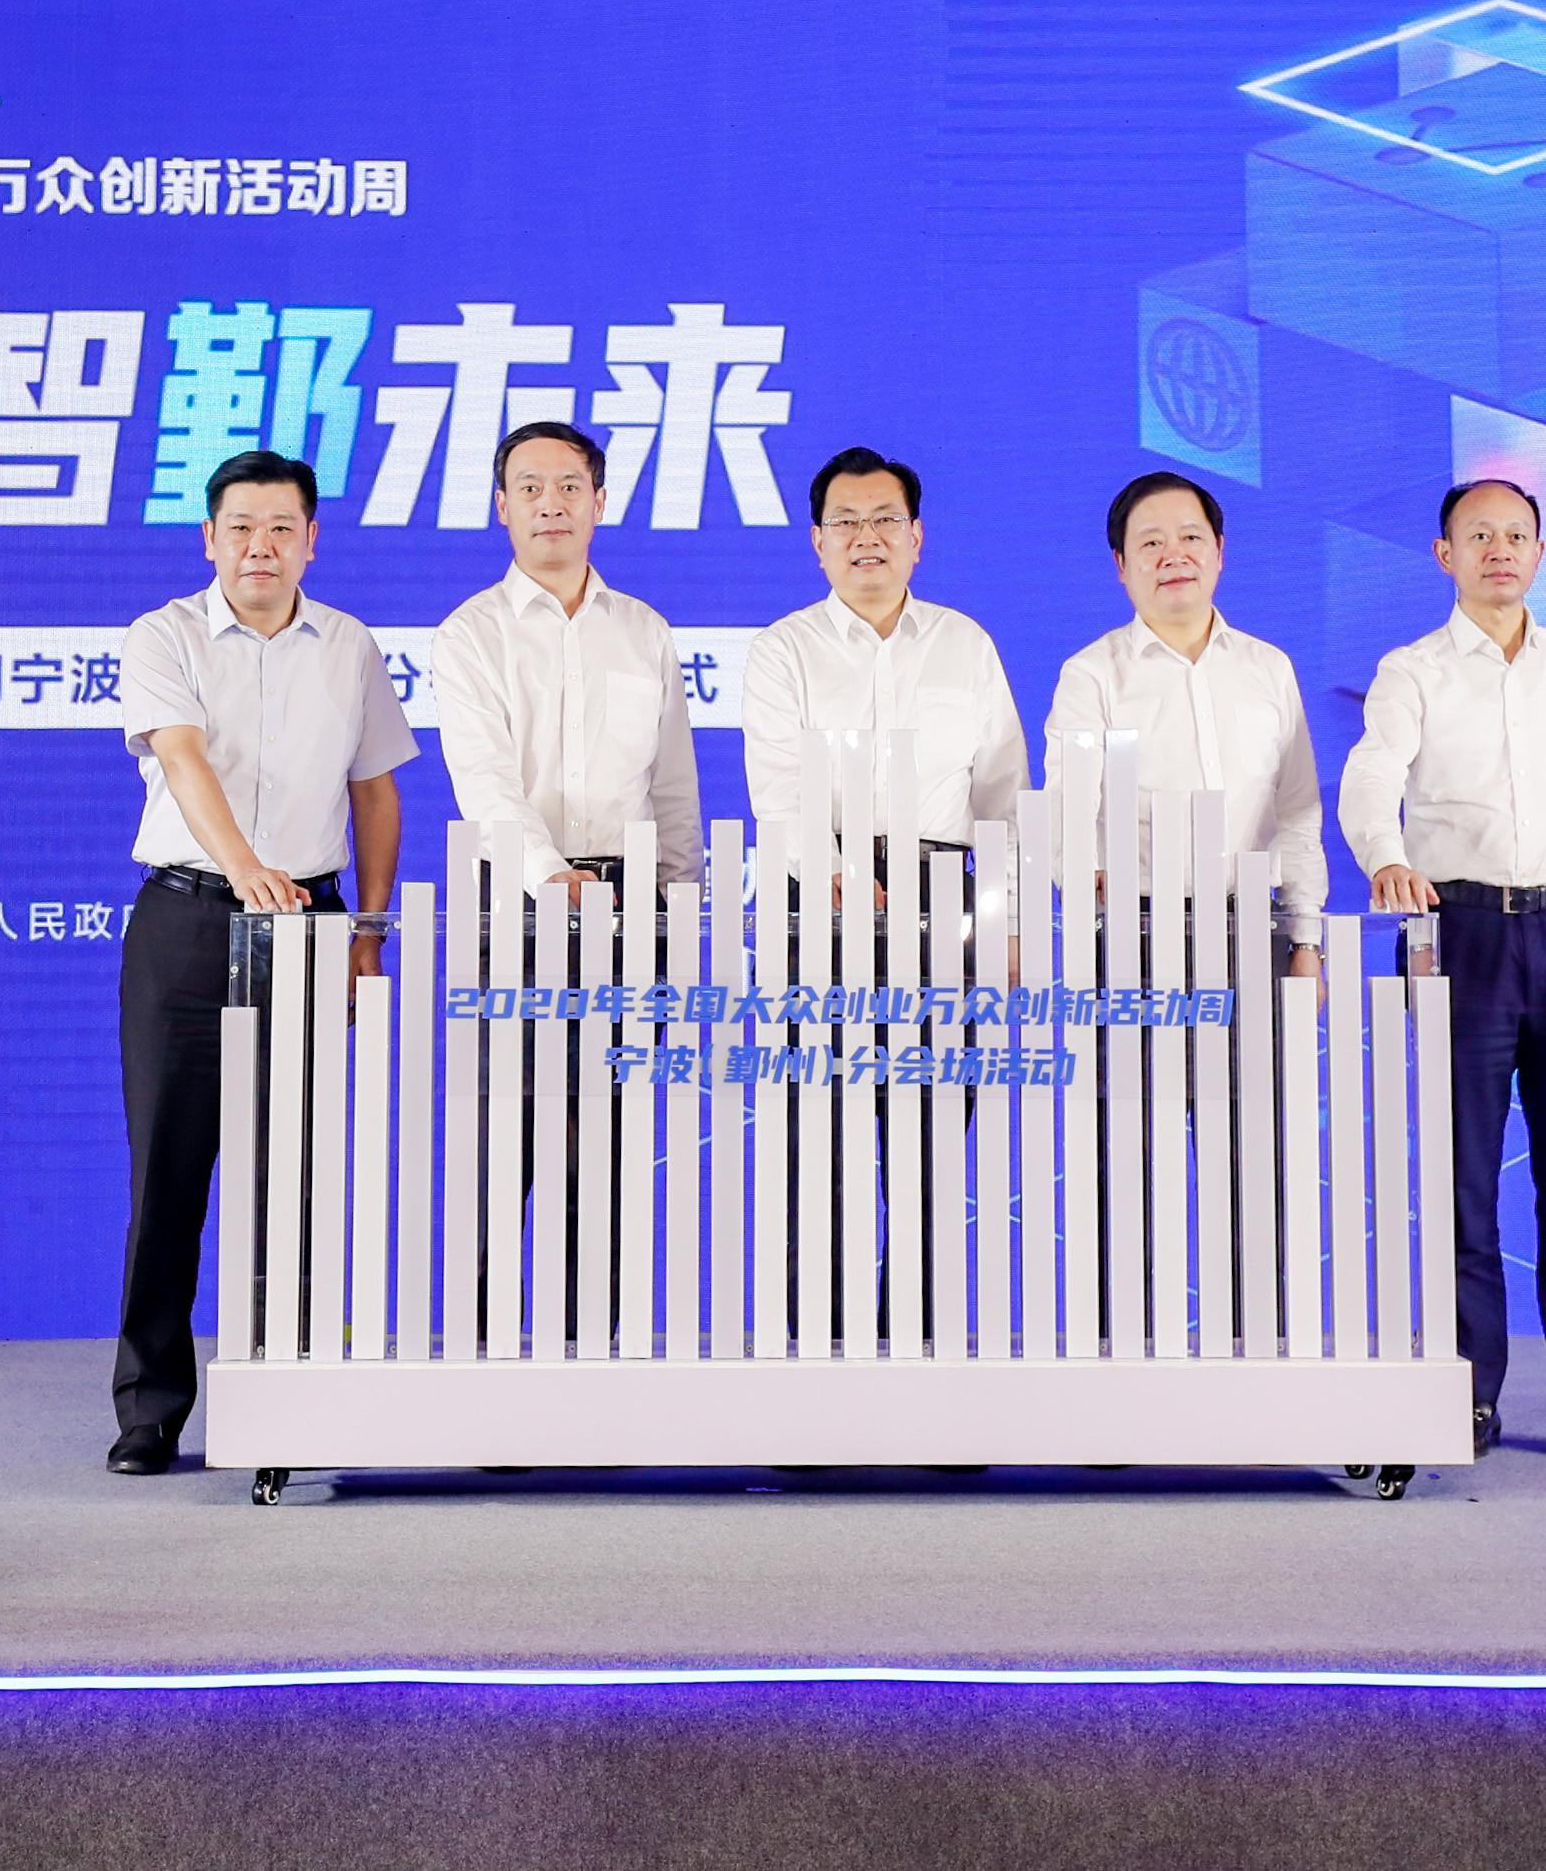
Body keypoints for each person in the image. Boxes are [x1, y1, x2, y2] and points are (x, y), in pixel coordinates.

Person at [104, 446, 415, 1475]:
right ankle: (150, 1408)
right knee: (168, 1174)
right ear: (210, 537)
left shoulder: (350, 646)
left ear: (311, 541)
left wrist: (368, 931)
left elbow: (375, 791)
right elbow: (181, 755)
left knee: (298, 1176)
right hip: (188, 921)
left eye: (282, 528)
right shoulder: (164, 634)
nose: (260, 546)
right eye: (240, 527)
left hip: (312, 925)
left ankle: (293, 1400)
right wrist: (244, 869)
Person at [1338, 474, 1546, 1464]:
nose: (1500, 550)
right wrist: (1384, 855)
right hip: (1458, 933)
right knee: (1462, 1183)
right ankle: (1468, 1396)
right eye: (1479, 535)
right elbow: (1370, 773)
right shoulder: (1412, 670)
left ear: (1540, 554)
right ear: (1445, 554)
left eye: (1517, 534)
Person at [431, 418, 704, 907]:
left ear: (598, 503)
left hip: (633, 893)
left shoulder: (644, 629)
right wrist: (548, 872)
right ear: (503, 506)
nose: (551, 505)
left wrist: (679, 898)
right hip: (518, 890)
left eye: (570, 487)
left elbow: (673, 785)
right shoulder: (469, 634)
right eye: (530, 488)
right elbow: (483, 779)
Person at [741, 447, 1026, 897]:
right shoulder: (782, 649)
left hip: (942, 887)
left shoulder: (965, 642)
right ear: (819, 543)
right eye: (845, 522)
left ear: (916, 536)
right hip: (820, 888)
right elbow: (779, 787)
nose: (866, 537)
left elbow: (1003, 796)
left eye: (886, 519)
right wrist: (829, 873)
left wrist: (1008, 913)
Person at [1044, 470, 1325, 911]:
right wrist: (1079, 874)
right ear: (1121, 565)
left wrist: (1305, 930)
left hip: (1253, 915)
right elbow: (1069, 800)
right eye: (1152, 543)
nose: (1174, 557)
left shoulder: (1270, 667)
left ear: (1219, 551)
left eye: (1191, 538)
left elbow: (1298, 808)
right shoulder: (1092, 673)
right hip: (1137, 919)